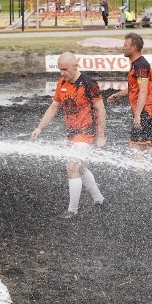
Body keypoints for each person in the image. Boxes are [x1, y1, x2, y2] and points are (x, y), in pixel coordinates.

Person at [31, 52, 106, 218]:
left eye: (64, 69)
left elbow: (100, 108)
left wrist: (101, 135)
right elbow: (54, 107)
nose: (61, 72)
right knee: (80, 167)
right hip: (71, 135)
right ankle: (99, 198)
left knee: (71, 166)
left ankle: (72, 211)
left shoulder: (88, 83)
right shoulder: (61, 83)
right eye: (59, 69)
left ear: (75, 65)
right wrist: (39, 128)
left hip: (87, 134)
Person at [106, 33, 152, 161]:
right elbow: (135, 87)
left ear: (133, 48)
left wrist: (138, 114)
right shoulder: (136, 64)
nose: (122, 48)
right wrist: (118, 94)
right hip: (146, 110)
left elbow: (143, 91)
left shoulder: (140, 66)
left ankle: (146, 176)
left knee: (137, 147)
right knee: (144, 147)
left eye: (125, 45)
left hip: (147, 110)